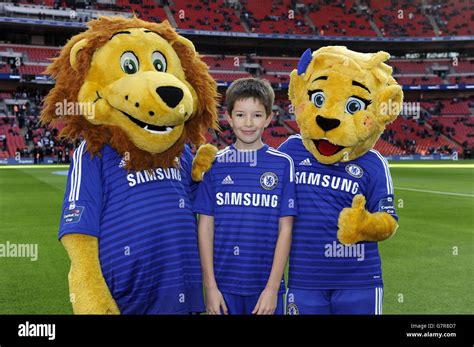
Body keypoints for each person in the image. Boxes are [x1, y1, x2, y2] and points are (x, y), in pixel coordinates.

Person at [194, 78, 297, 315]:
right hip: (222, 288)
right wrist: (210, 287)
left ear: (269, 118)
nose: (248, 123)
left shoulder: (282, 164)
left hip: (265, 289)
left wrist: (272, 288)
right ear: (228, 118)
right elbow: (205, 227)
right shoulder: (215, 164)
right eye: (240, 115)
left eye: (257, 115)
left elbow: (286, 229)